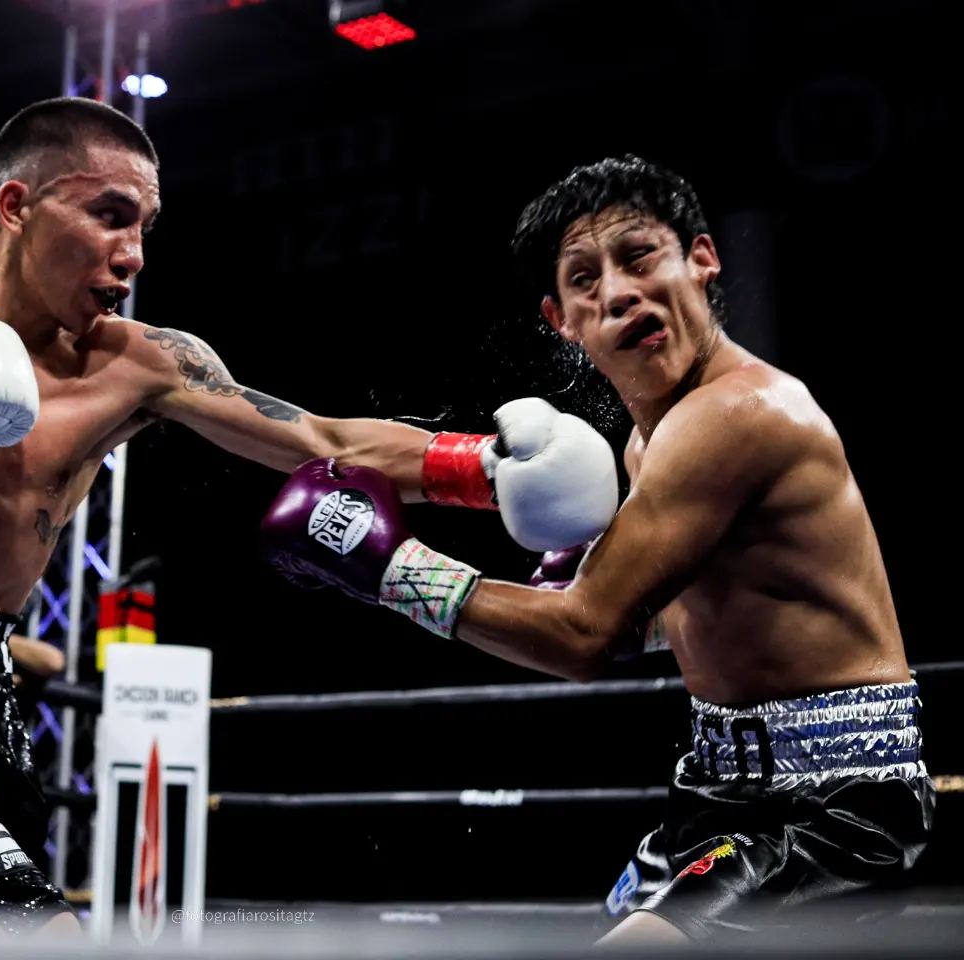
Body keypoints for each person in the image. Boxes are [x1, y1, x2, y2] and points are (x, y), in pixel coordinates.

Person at [0, 97, 620, 930]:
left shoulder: (141, 364)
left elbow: (316, 436)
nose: (135, 254)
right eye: (110, 214)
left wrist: (484, 469)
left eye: (145, 226)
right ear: (16, 205)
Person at [261, 156, 932, 942]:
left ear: (702, 260)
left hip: (834, 806)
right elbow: (717, 609)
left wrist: (390, 568)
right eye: (586, 278)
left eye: (640, 256)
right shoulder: (648, 449)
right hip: (718, 792)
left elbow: (585, 638)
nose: (618, 292)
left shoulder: (740, 413)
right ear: (563, 321)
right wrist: (606, 607)